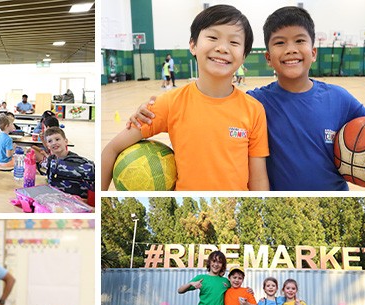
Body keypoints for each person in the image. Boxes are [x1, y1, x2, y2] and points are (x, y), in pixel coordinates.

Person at [130, 6, 365, 190]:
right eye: (280, 43)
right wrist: (146, 110)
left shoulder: (339, 98)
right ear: (267, 58)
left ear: (314, 52)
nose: (290, 49)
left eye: (300, 41)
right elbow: (215, 103)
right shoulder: (256, 104)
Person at [102, 5, 269, 191]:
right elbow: (110, 150)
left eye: (234, 42)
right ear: (193, 45)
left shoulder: (254, 110)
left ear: (244, 55)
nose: (222, 48)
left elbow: (258, 179)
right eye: (213, 37)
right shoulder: (169, 103)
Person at [41, 126, 94, 199]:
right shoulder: (51, 160)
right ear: (48, 146)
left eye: (57, 139)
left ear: (66, 141)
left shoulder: (79, 163)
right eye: (50, 141)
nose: (54, 143)